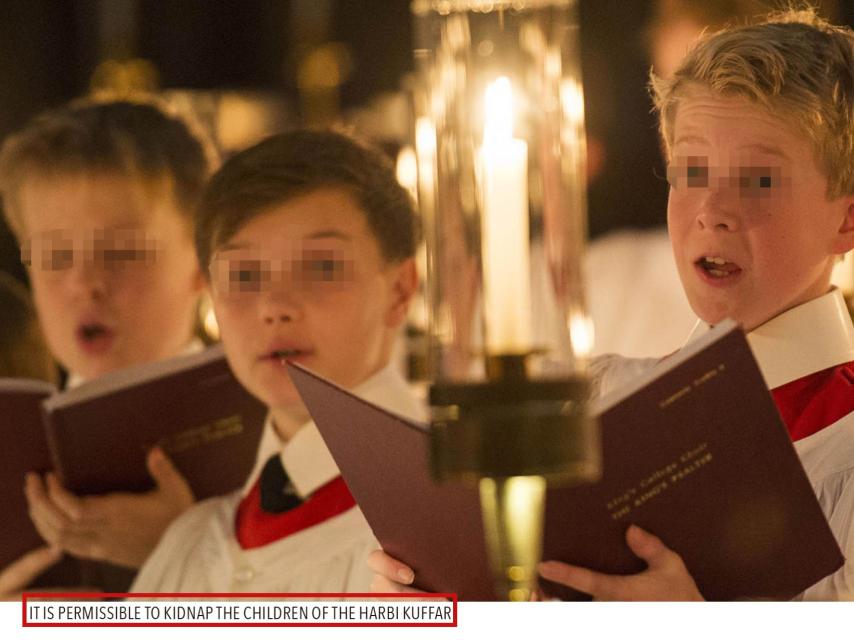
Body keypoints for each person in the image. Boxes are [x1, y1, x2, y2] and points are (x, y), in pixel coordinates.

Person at [369, 8, 854, 600]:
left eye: (758, 179)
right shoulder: (597, 404)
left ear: (846, 217)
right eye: (691, 170)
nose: (712, 209)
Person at [131, 129, 422, 592]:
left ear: (401, 288)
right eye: (243, 275)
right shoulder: (190, 542)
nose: (273, 305)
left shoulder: (449, 521)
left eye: (321, 267)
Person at [0, 97, 214, 593]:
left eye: (122, 251)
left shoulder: (284, 435)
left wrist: (189, 554)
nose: (84, 282)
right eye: (54, 253)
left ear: (204, 261)